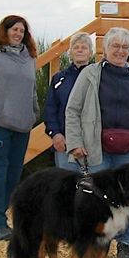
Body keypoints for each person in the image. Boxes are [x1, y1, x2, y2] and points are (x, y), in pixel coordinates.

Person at [64, 27, 129, 258]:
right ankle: (90, 251)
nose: (120, 51)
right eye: (115, 46)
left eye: (125, 47)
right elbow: (72, 109)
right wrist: (74, 142)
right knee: (93, 202)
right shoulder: (90, 74)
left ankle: (126, 246)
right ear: (105, 49)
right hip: (96, 149)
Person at [0, 15, 38, 242]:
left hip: (22, 126)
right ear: (4, 31)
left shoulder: (30, 58)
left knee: (13, 176)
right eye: (14, 29)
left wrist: (34, 113)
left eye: (21, 31)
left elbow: (32, 89)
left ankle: (2, 216)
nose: (18, 34)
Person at [44, 32, 94, 170]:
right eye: (76, 47)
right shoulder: (59, 79)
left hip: (92, 145)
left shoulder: (98, 78)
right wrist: (55, 134)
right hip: (64, 143)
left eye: (84, 47)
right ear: (70, 52)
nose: (79, 50)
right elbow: (50, 109)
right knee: (65, 187)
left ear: (90, 53)